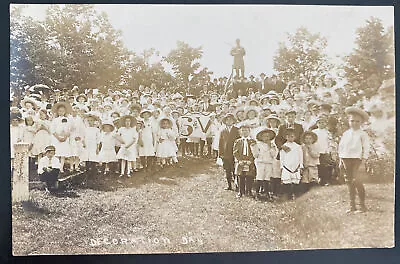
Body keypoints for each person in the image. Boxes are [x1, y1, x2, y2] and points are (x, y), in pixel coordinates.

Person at [338, 106, 370, 213]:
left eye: (357, 121)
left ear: (361, 122)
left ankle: (362, 206)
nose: (355, 123)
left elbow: (366, 148)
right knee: (349, 182)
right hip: (346, 159)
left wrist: (363, 162)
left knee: (357, 181)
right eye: (352, 121)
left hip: (357, 160)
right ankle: (352, 205)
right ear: (348, 121)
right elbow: (341, 147)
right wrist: (340, 161)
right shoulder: (346, 134)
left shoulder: (363, 134)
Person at [251, 128, 278, 200]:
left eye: (268, 136)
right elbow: (255, 155)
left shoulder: (272, 145)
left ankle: (266, 192)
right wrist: (254, 147)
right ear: (261, 137)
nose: (266, 138)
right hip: (260, 162)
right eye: (264, 136)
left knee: (267, 178)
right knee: (259, 176)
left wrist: (271, 147)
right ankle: (256, 193)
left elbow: (274, 155)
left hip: (269, 163)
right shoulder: (258, 144)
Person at [233, 124, 256, 198]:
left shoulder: (252, 141)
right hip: (241, 161)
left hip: (249, 161)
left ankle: (249, 191)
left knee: (250, 176)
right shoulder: (238, 141)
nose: (244, 132)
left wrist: (251, 160)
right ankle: (240, 191)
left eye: (246, 130)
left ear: (249, 131)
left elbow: (254, 152)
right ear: (240, 132)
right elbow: (235, 152)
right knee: (240, 176)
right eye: (242, 130)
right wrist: (239, 160)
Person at [280, 128, 303, 200]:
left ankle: (296, 196)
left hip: (296, 166)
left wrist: (301, 165)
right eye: (288, 136)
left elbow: (300, 157)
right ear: (286, 137)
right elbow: (282, 157)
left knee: (295, 182)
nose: (290, 138)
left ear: (295, 137)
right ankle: (288, 196)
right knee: (287, 182)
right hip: (287, 166)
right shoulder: (284, 146)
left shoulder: (298, 147)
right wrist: (281, 166)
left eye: (292, 136)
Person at [219, 113, 240, 191]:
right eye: (227, 120)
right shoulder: (223, 131)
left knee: (235, 170)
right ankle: (229, 185)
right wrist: (220, 154)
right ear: (225, 121)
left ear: (233, 121)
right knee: (227, 170)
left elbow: (239, 142)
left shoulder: (237, 130)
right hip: (225, 154)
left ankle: (238, 185)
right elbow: (220, 142)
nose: (229, 121)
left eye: (231, 120)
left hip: (234, 153)